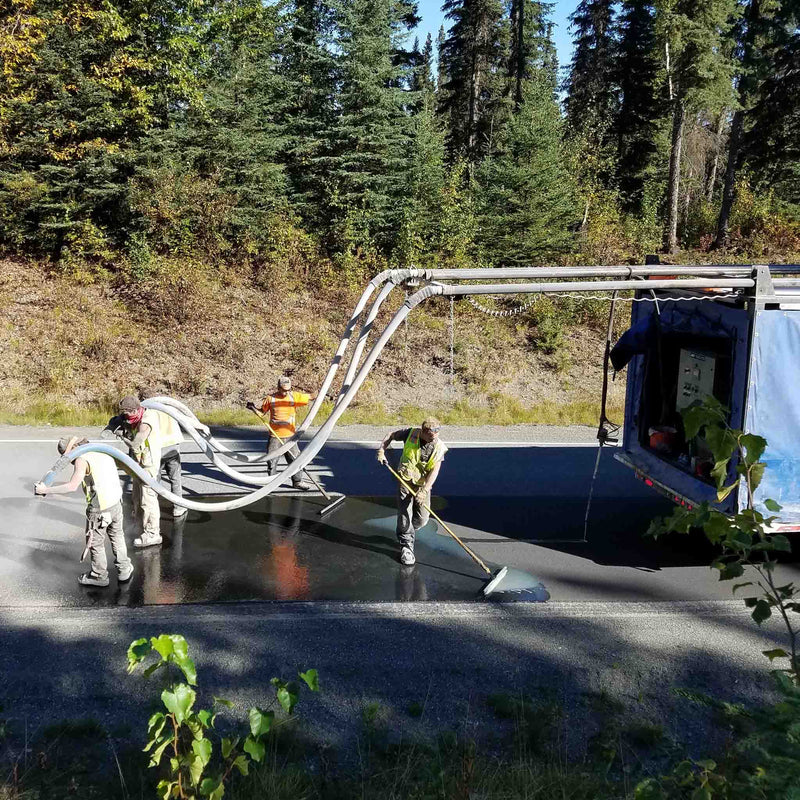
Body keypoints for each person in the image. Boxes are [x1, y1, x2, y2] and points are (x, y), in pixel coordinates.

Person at [34, 436, 133, 587]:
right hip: (116, 503)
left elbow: (72, 486)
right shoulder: (101, 450)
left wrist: (45, 489)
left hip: (100, 509)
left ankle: (99, 576)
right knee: (117, 536)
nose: (70, 462)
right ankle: (124, 569)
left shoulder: (82, 460)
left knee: (95, 543)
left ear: (71, 451)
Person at [377, 418, 447, 566]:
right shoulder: (410, 434)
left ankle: (408, 530)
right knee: (404, 514)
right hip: (405, 480)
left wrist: (425, 490)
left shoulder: (439, 447)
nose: (433, 439)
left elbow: (435, 471)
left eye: (436, 436)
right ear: (423, 432)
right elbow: (391, 435)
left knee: (422, 519)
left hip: (423, 485)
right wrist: (381, 450)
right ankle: (406, 545)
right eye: (430, 436)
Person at [246, 376, 317, 491]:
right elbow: (261, 413)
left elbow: (312, 397)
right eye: (283, 390)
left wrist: (320, 390)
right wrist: (253, 407)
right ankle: (272, 484)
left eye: (288, 390)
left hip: (290, 436)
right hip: (275, 436)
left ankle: (297, 482)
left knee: (295, 460)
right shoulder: (271, 399)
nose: (285, 392)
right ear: (278, 388)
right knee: (271, 461)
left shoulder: (294, 396)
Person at [118, 395, 162, 547]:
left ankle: (152, 534)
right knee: (136, 498)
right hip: (138, 464)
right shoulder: (132, 417)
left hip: (148, 466)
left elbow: (137, 442)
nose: (126, 417)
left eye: (127, 414)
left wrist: (123, 438)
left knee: (147, 500)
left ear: (136, 410)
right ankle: (139, 526)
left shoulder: (147, 420)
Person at [140, 388, 187, 517]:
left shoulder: (147, 412)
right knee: (175, 479)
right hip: (172, 449)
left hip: (157, 451)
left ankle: (153, 508)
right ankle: (178, 507)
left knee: (155, 480)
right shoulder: (169, 409)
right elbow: (184, 419)